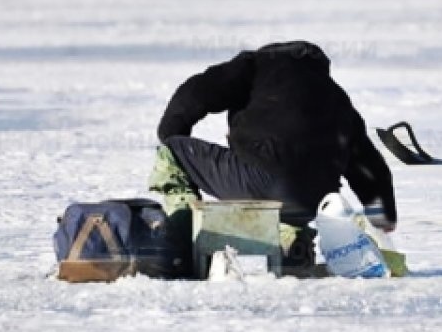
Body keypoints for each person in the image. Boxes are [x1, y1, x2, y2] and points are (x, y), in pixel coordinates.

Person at [147, 41, 397, 266]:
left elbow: (196, 92)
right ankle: (291, 245)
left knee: (173, 151)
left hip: (260, 179)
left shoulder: (255, 66)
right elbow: (369, 166)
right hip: (314, 201)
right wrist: (383, 215)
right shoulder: (337, 98)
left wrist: (171, 131)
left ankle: (179, 243)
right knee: (292, 192)